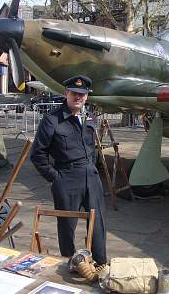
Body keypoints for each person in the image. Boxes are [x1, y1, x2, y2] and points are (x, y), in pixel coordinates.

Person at [30, 75, 107, 265]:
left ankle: (101, 264)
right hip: (67, 179)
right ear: (66, 93)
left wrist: (93, 167)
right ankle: (70, 264)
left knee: (97, 225)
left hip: (91, 176)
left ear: (87, 96)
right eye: (74, 93)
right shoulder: (52, 120)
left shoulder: (89, 117)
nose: (78, 97)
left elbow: (92, 148)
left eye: (82, 94)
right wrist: (56, 178)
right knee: (67, 227)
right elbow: (37, 154)